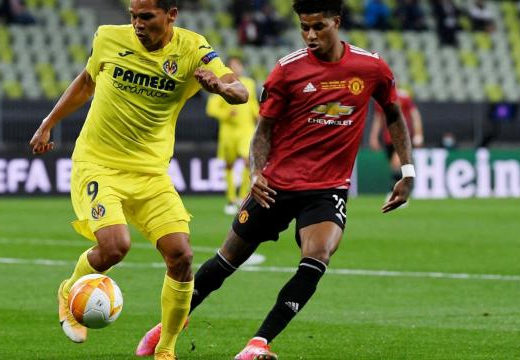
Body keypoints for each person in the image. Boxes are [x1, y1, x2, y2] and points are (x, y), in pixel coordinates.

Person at [135, 0, 415, 359]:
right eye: (304, 27)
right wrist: (257, 173)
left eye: (318, 27)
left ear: (337, 22)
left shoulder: (370, 67)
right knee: (225, 262)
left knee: (319, 255)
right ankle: (169, 324)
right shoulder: (287, 71)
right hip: (276, 185)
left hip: (327, 188)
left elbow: (393, 113)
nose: (310, 35)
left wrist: (407, 171)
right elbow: (263, 130)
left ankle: (258, 344)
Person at [28, 0, 248, 359]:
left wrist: (222, 89)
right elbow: (86, 82)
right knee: (115, 247)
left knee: (181, 255)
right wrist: (47, 123)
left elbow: (239, 90)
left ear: (171, 15)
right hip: (99, 164)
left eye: (145, 17)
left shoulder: (194, 48)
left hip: (151, 173)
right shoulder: (109, 38)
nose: (137, 24)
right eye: (133, 16)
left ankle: (165, 350)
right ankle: (70, 292)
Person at [205, 56, 259, 215]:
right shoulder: (221, 83)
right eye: (233, 66)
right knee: (229, 165)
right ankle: (230, 198)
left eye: (239, 65)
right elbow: (211, 109)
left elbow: (252, 103)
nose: (237, 68)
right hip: (228, 133)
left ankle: (242, 197)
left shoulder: (248, 83)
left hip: (246, 130)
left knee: (246, 161)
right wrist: (227, 113)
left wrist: (258, 114)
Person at [369, 87, 423, 190]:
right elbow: (378, 119)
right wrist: (373, 137)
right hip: (388, 138)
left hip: (403, 136)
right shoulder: (381, 99)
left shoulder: (404, 97)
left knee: (396, 163)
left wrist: (418, 134)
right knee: (395, 166)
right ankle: (403, 189)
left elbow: (415, 115)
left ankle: (396, 191)